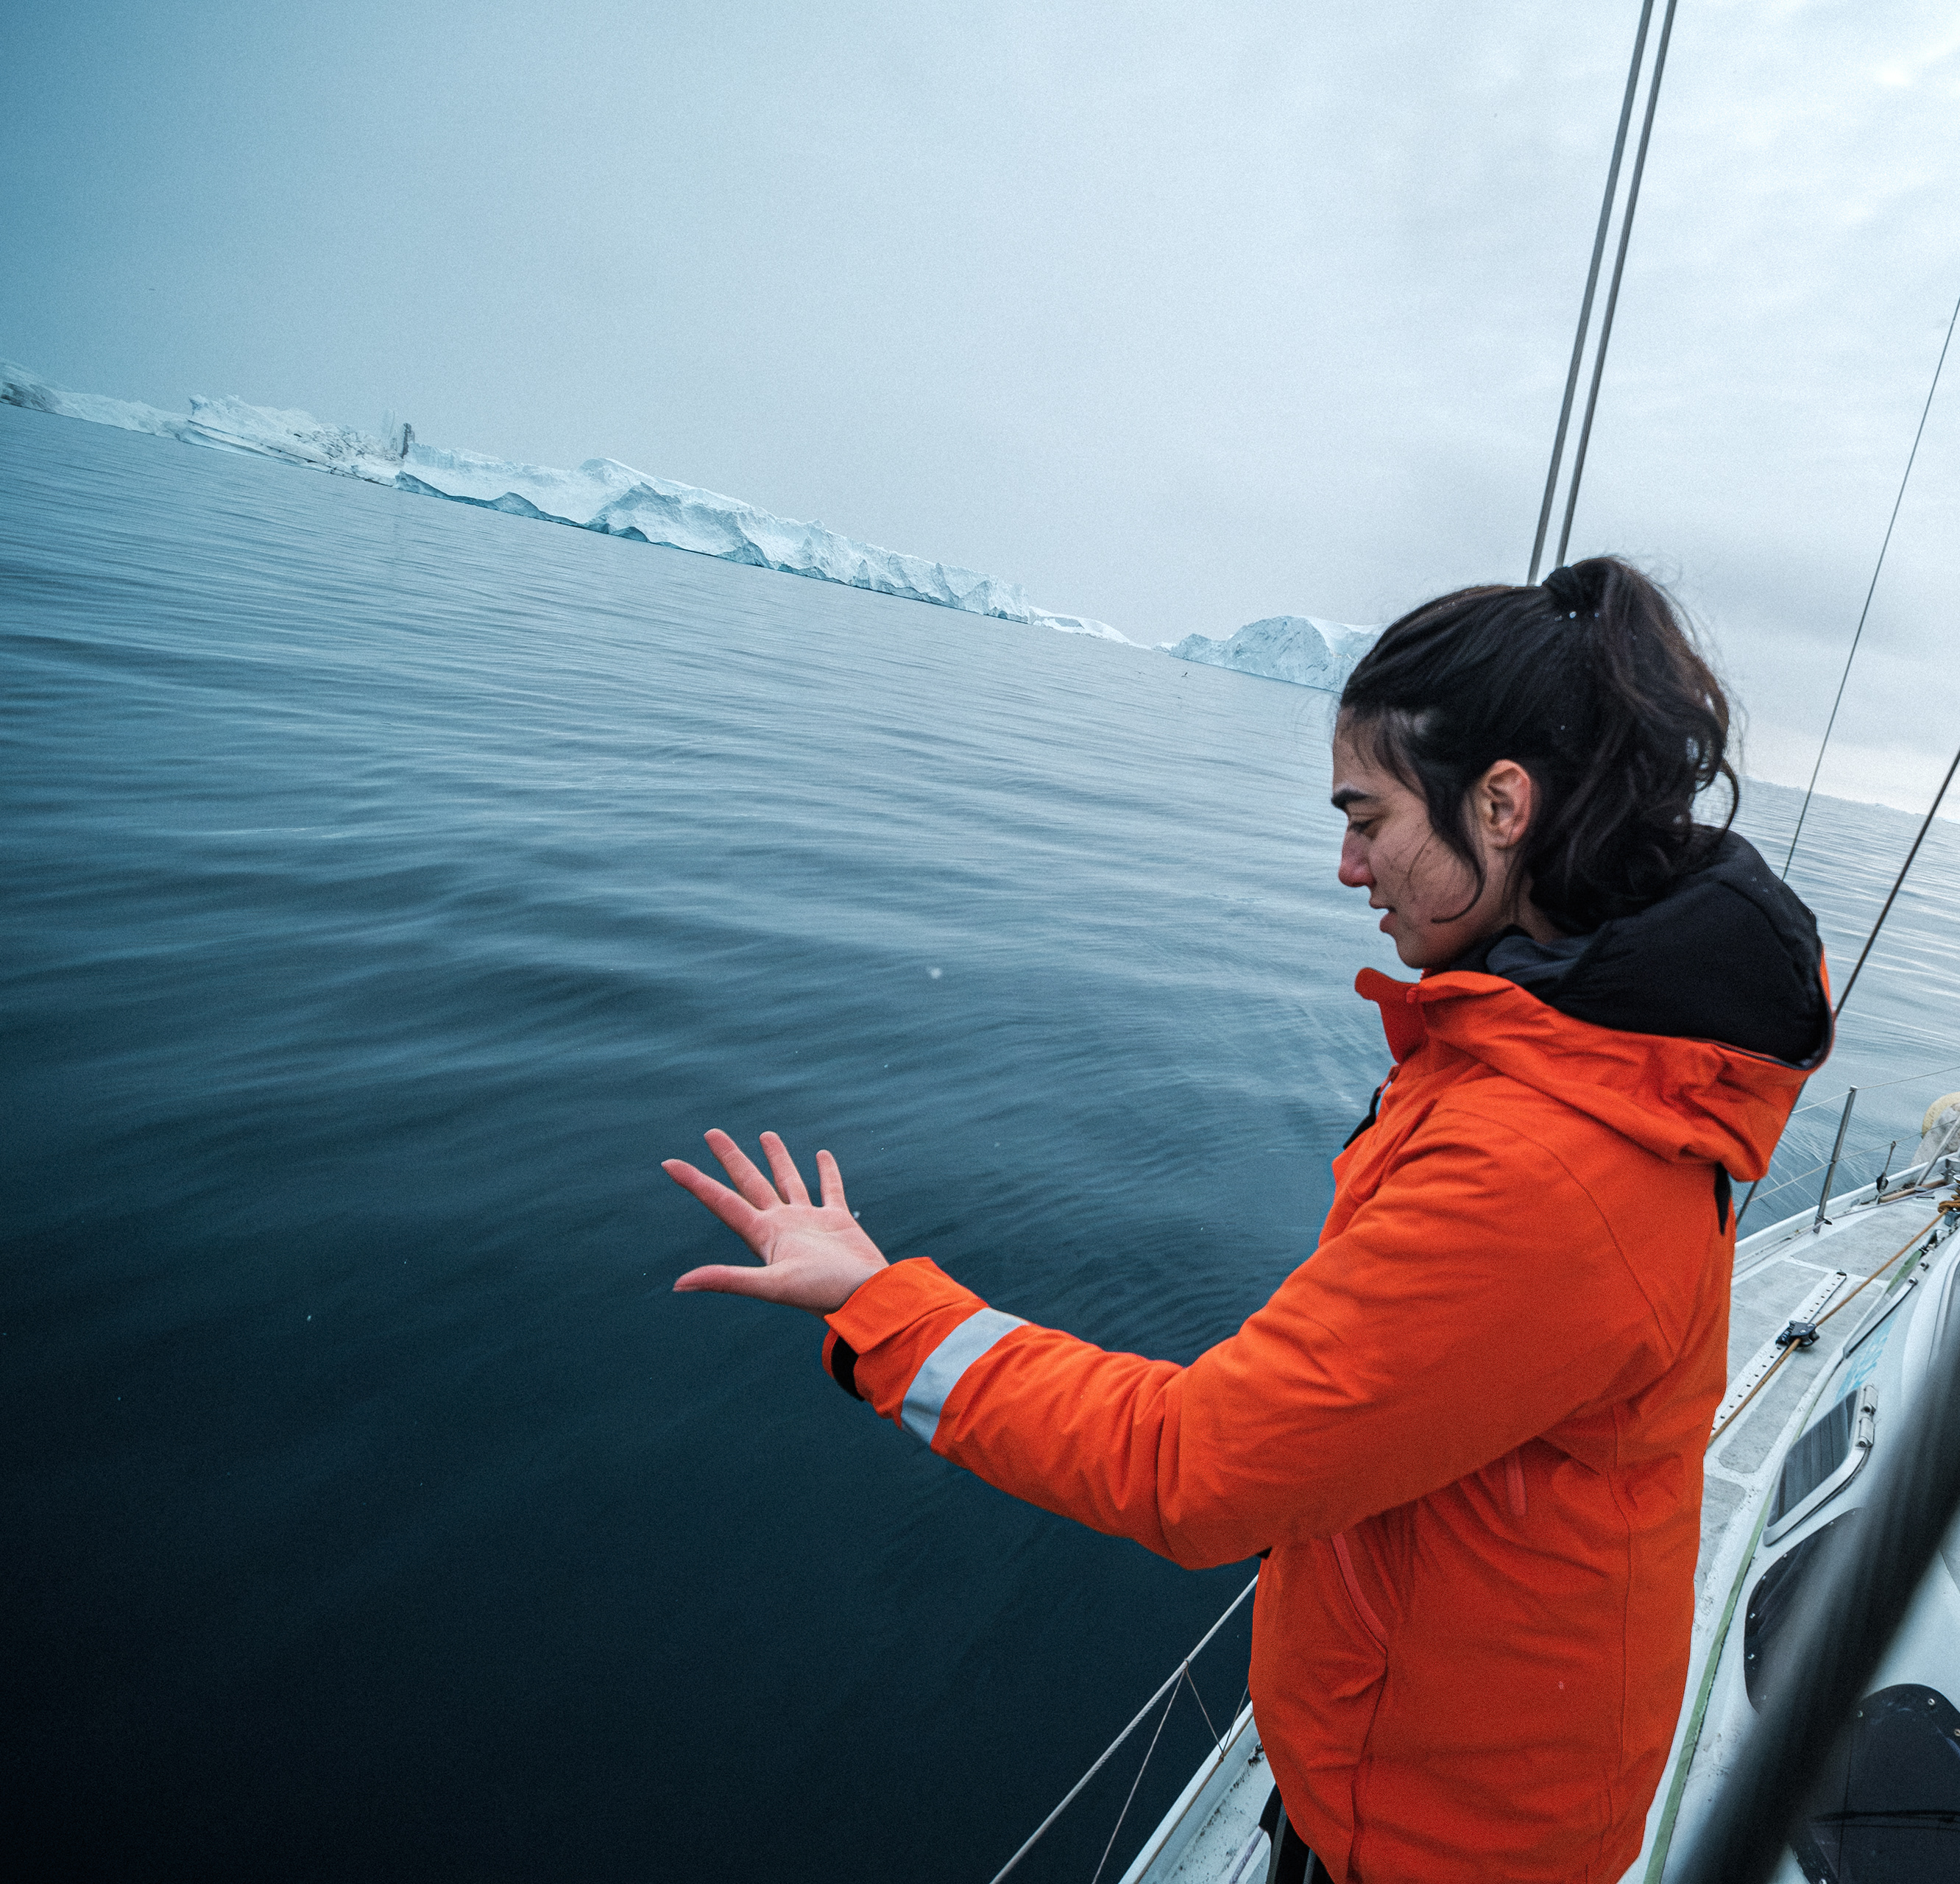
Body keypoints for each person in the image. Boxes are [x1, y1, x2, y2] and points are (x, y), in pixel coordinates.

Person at [662, 556, 1829, 1882]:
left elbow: (1193, 1469)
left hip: (1443, 1844)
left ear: (1503, 806)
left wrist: (878, 1309)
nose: (1346, 866)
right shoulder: (1595, 1051)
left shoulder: (1547, 1163)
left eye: (1368, 817)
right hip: (1447, 1766)